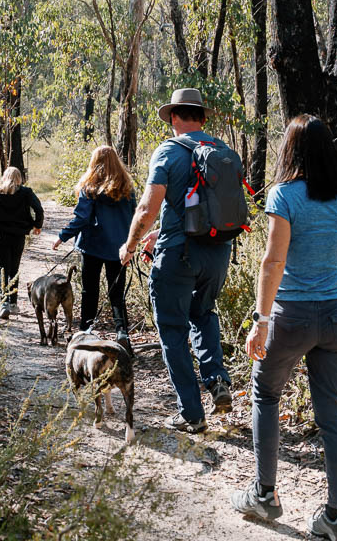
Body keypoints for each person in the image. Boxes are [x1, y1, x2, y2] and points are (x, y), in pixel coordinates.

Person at [229, 114, 337, 541]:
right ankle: (336, 518)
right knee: (332, 415)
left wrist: (260, 321)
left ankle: (265, 494)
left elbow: (273, 261)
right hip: (336, 317)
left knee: (265, 392)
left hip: (291, 315)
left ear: (292, 150)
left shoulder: (285, 196)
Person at [119, 87, 236, 432]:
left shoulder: (168, 151)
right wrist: (162, 232)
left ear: (173, 117)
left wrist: (130, 244)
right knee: (203, 313)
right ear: (202, 117)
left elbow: (147, 208)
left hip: (178, 256)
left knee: (172, 329)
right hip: (218, 252)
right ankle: (217, 380)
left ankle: (191, 413)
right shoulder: (222, 150)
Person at [53, 145, 136, 352]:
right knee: (117, 292)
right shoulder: (127, 188)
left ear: (94, 162)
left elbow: (81, 219)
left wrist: (62, 237)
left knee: (90, 291)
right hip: (120, 248)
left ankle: (86, 331)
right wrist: (133, 243)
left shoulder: (89, 188)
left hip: (93, 247)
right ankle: (122, 332)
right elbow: (135, 216)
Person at [0, 166, 43, 320]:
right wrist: (37, 225)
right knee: (14, 269)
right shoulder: (26, 193)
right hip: (19, 236)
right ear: (19, 178)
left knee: (3, 269)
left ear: (4, 177)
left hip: (2, 235)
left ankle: (4, 305)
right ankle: (13, 303)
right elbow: (39, 209)